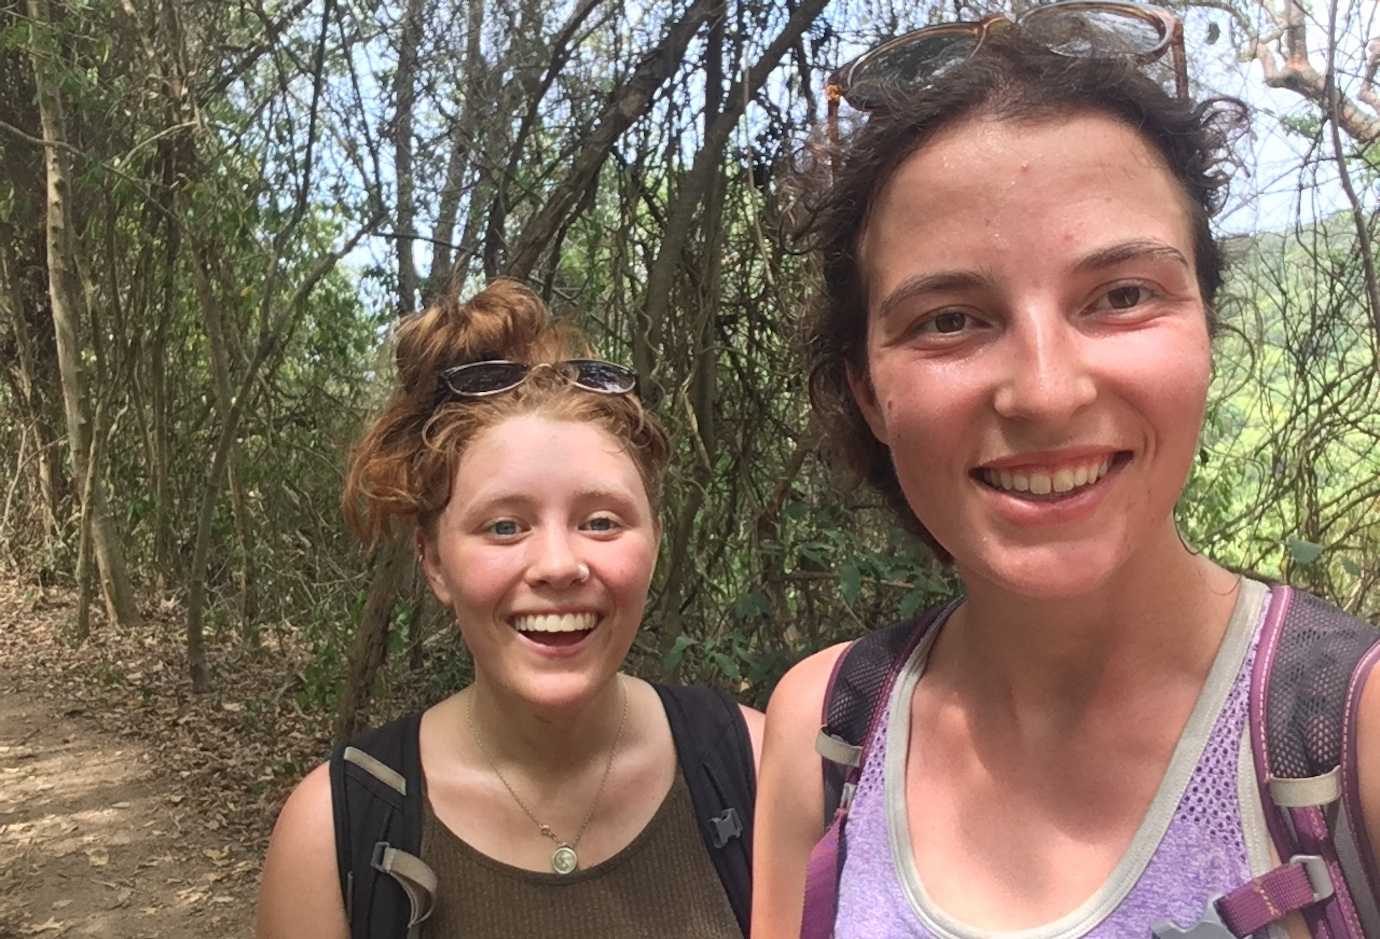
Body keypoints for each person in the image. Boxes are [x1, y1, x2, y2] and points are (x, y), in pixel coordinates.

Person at [752, 8, 1380, 939]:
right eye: (950, 319)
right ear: (870, 393)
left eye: (1122, 296)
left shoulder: (1349, 739)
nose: (1045, 394)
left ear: (1206, 327)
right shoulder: (826, 731)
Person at [257, 278, 763, 938]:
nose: (559, 564)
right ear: (433, 559)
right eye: (504, 526)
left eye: (602, 521)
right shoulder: (334, 832)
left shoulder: (754, 766)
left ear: (656, 542)